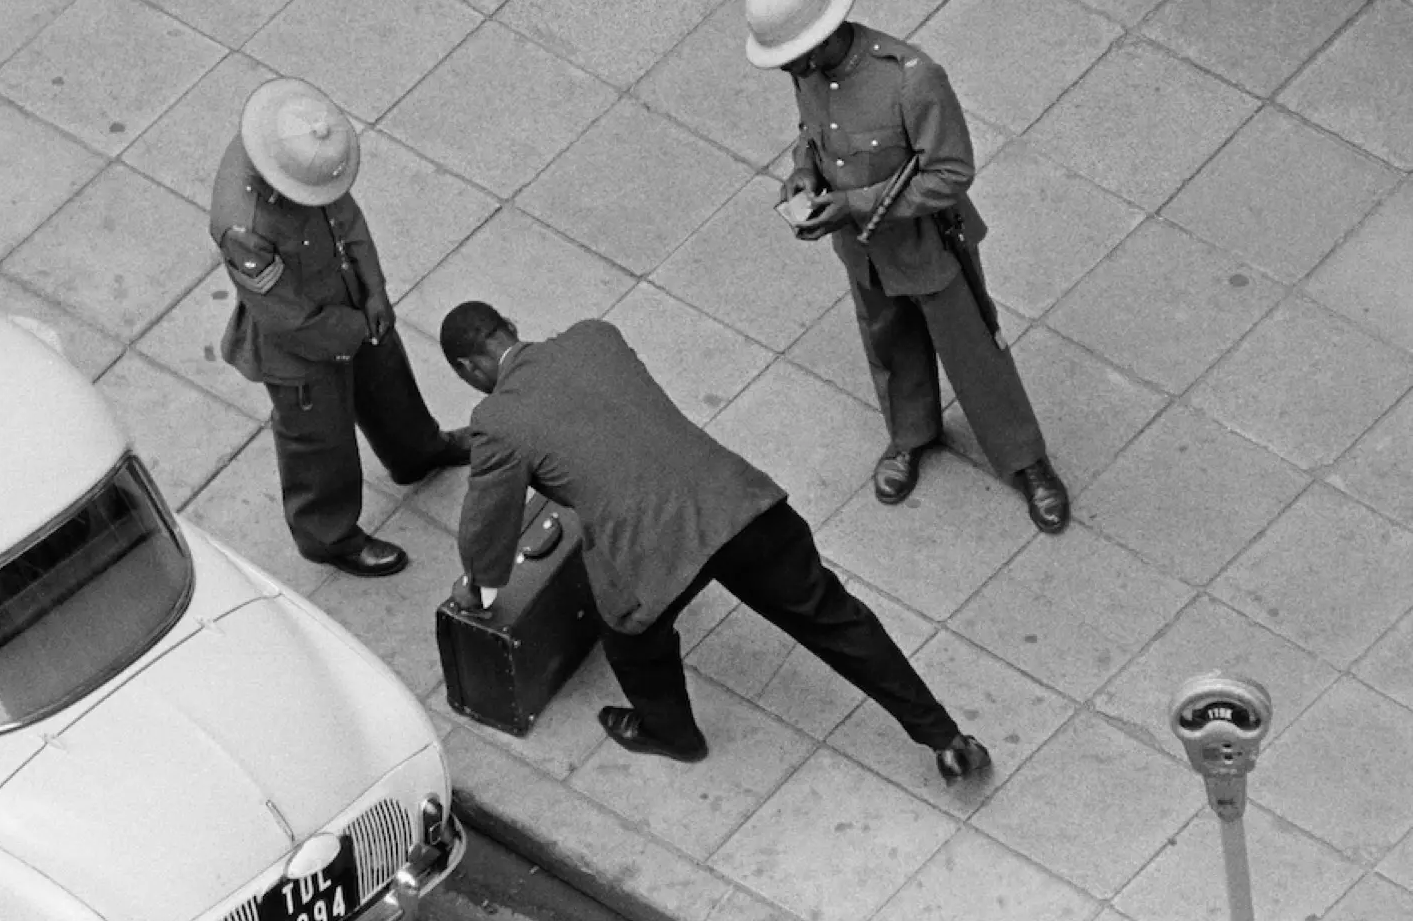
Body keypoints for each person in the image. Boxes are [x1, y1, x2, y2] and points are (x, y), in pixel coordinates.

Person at [438, 304, 988, 777]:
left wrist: (480, 590)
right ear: (508, 326)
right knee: (834, 618)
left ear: (467, 368)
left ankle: (672, 733)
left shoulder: (498, 421)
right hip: (739, 505)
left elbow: (489, 521)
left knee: (629, 638)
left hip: (652, 552)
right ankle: (945, 738)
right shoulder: (593, 335)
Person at [746, 0, 1068, 533]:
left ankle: (1026, 461)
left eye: (794, 55)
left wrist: (857, 203)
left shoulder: (910, 78)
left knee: (974, 355)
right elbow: (813, 132)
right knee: (888, 343)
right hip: (860, 249)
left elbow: (951, 171)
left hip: (928, 245)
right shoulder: (807, 71)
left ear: (823, 35)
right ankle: (912, 434)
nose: (789, 69)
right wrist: (803, 173)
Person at [210, 78, 467, 577]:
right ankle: (329, 536)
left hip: (347, 300)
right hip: (303, 343)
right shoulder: (244, 225)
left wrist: (375, 291)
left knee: (389, 384)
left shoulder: (300, 151)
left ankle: (417, 452)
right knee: (318, 441)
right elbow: (286, 317)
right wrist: (357, 327)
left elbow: (345, 219)